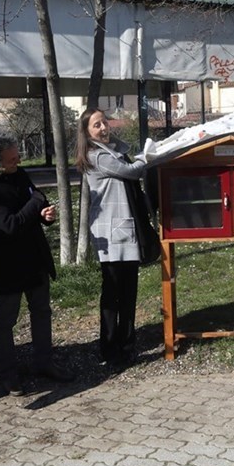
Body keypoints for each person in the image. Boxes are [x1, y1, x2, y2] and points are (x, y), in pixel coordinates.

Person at [0, 134, 74, 395]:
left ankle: (44, 362)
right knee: (6, 319)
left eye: (18, 157)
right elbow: (8, 226)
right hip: (7, 264)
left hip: (34, 257)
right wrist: (36, 203)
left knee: (42, 311)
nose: (18, 161)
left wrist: (44, 214)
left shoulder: (19, 173)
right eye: (12, 159)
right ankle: (8, 373)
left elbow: (34, 204)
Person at [75, 108, 149, 366]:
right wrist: (146, 156)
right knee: (113, 292)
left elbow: (123, 157)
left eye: (105, 122)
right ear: (86, 133)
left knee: (128, 292)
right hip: (111, 232)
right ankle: (110, 346)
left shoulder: (107, 150)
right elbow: (131, 171)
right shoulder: (96, 156)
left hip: (123, 230)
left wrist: (118, 145)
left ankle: (127, 344)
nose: (104, 128)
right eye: (97, 125)